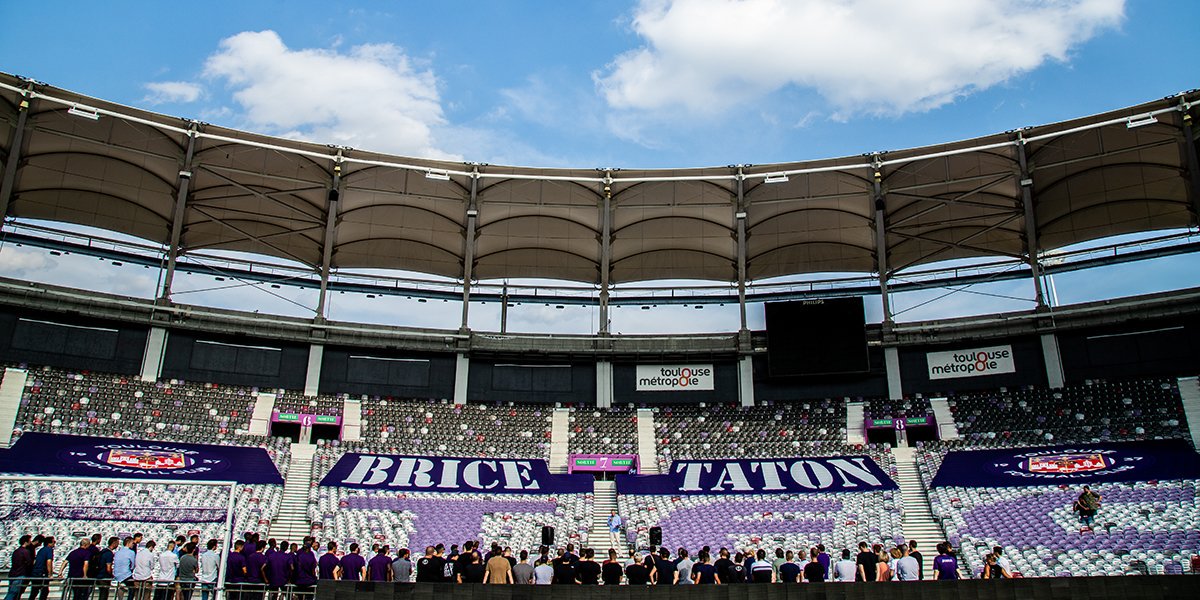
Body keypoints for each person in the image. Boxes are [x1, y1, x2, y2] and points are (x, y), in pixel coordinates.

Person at [6, 535, 34, 600]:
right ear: (25, 542)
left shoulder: (16, 551)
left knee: (12, 592)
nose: (30, 542)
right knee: (13, 593)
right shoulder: (25, 552)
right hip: (20, 574)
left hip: (12, 574)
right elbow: (29, 563)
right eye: (29, 541)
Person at [29, 536, 55, 600]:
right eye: (54, 542)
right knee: (44, 591)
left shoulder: (41, 550)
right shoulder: (49, 549)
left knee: (34, 591)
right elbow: (49, 561)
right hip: (41, 573)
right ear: (49, 543)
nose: (54, 544)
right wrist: (50, 574)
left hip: (35, 572)